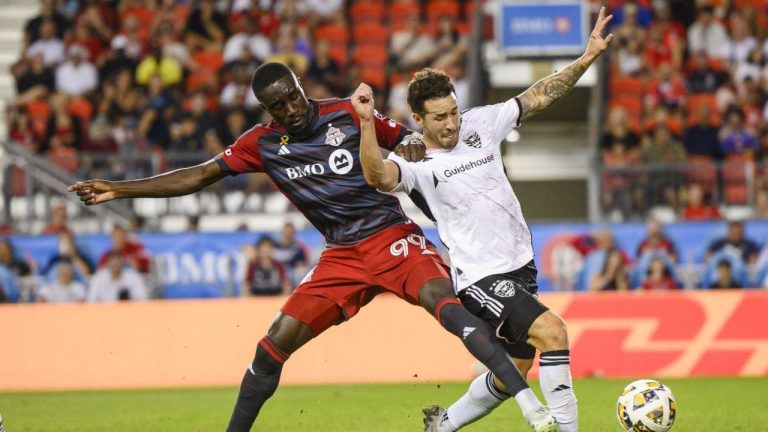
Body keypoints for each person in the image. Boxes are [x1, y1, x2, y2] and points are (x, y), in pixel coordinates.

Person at [67, 62, 557, 432]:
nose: (292, 108)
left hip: (391, 236)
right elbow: (199, 175)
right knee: (273, 343)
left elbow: (408, 138)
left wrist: (409, 142)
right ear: (268, 110)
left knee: (447, 308)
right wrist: (120, 188)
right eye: (280, 105)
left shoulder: (345, 112)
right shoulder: (260, 144)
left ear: (301, 90)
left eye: (295, 97)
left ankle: (530, 408)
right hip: (340, 255)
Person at [355, 8, 614, 431]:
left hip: (519, 265)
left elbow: (539, 95)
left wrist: (586, 59)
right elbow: (375, 175)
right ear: (418, 120)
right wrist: (367, 125)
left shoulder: (481, 124)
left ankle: (443, 425)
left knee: (514, 367)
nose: (452, 123)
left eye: (454, 111)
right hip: (480, 277)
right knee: (554, 332)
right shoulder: (416, 163)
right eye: (440, 117)